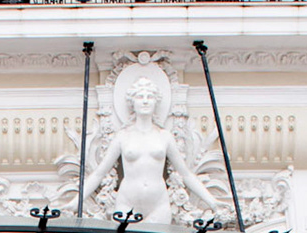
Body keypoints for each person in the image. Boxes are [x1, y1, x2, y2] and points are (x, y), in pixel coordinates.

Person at [81, 74, 221, 225]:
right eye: (140, 96)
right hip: (127, 205)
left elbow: (186, 174)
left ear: (156, 101)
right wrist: (76, 201)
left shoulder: (164, 137)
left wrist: (213, 202)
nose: (146, 101)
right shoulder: (122, 137)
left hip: (158, 205)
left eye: (150, 96)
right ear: (132, 102)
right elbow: (99, 173)